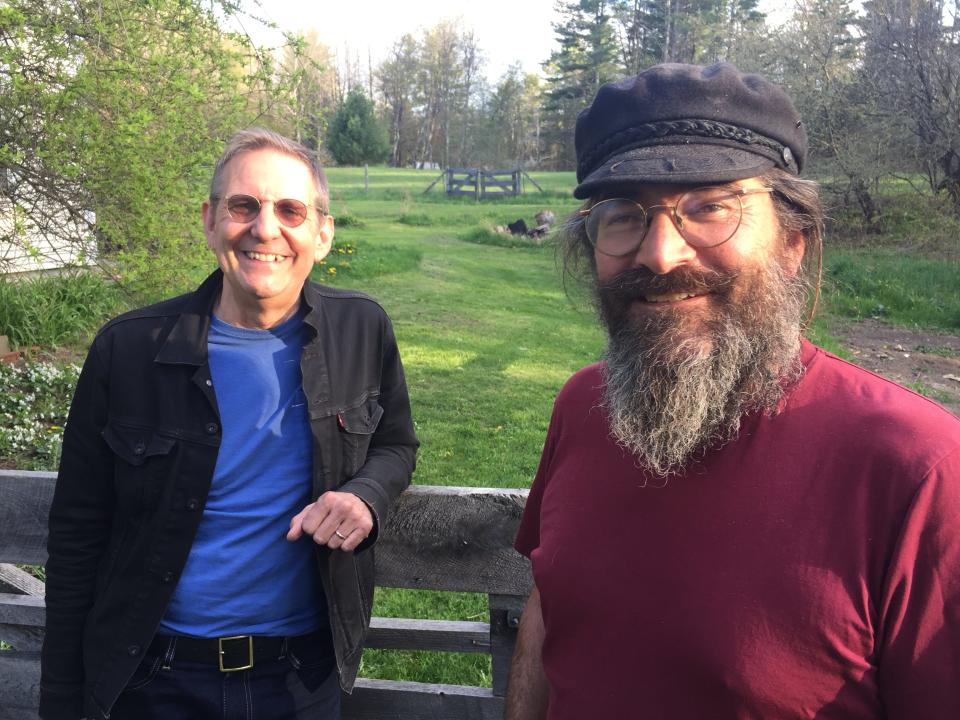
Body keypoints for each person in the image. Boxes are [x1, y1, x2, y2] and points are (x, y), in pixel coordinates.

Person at [506, 63, 960, 719]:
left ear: (792, 243)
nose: (659, 253)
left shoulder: (919, 470)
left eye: (710, 207)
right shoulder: (583, 406)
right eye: (623, 215)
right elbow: (551, 607)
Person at [39, 128, 418, 720]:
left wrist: (365, 495)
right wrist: (61, 703)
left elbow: (395, 442)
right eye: (244, 205)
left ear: (323, 232)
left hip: (302, 679)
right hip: (151, 679)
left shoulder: (361, 330)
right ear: (211, 220)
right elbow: (76, 535)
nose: (265, 229)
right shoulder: (130, 349)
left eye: (290, 209)